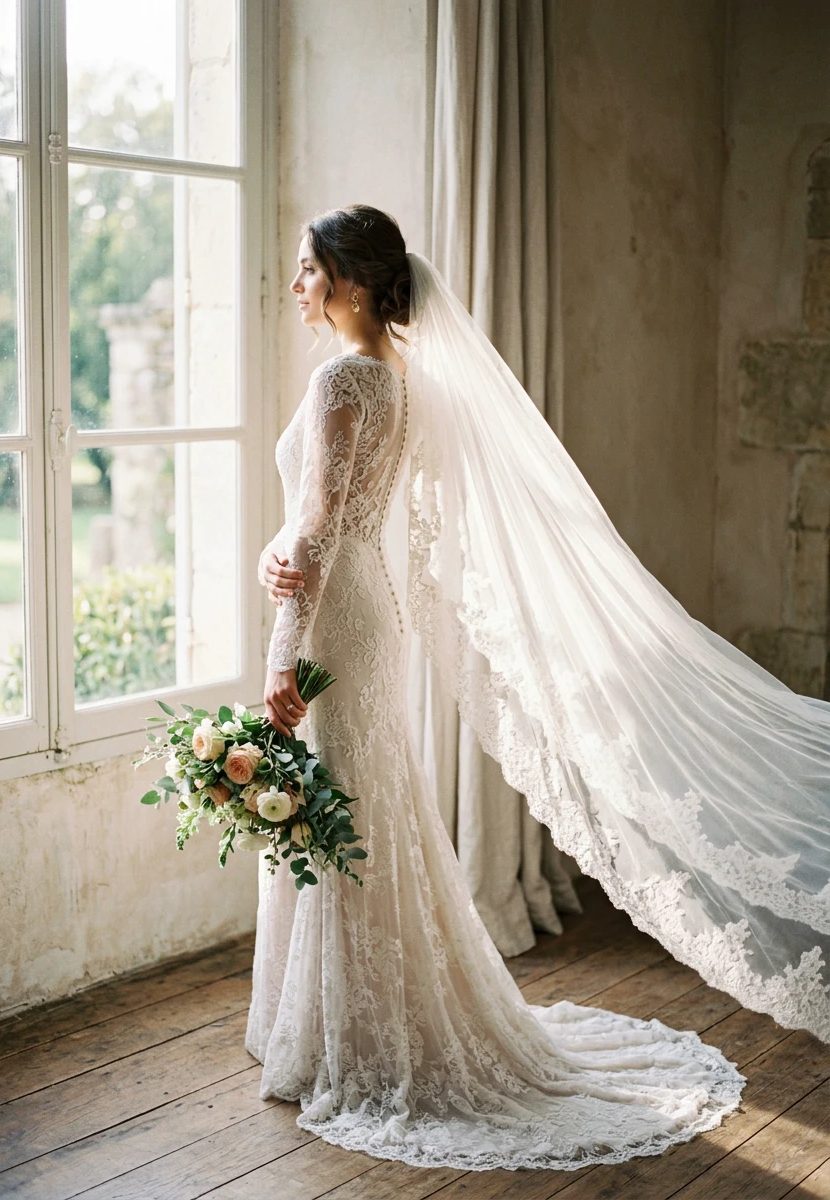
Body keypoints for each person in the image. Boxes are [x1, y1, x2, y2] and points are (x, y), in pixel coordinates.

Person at [246, 203, 828, 1171]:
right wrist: (280, 556)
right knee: (362, 806)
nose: (296, 284)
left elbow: (317, 523)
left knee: (339, 806)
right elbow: (332, 519)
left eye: (308, 268)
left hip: (335, 620)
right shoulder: (398, 374)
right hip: (361, 608)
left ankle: (352, 1034)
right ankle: (344, 1017)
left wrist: (280, 653)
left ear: (349, 280)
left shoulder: (344, 377)